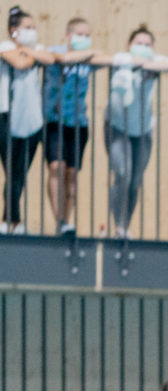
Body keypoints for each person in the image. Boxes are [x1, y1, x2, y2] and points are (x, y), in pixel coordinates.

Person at [105, 24, 168, 239]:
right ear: (129, 45)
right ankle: (118, 225)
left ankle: (124, 226)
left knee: (135, 181)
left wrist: (147, 63)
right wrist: (138, 63)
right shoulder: (122, 58)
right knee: (123, 174)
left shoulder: (154, 61)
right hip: (117, 127)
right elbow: (112, 60)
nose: (143, 47)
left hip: (143, 130)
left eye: (148, 44)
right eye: (139, 43)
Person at [42, 17, 104, 237]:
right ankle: (58, 218)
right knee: (56, 167)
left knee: (71, 175)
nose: (84, 38)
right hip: (54, 120)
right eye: (79, 34)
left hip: (78, 124)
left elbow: (108, 58)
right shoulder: (56, 51)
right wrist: (88, 54)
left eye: (87, 35)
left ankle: (65, 223)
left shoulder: (89, 58)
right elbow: (61, 58)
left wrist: (90, 54)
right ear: (68, 36)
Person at [0, 7, 58, 234]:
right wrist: (28, 53)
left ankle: (10, 221)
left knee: (20, 172)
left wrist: (28, 51)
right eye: (27, 28)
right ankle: (11, 221)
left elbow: (50, 58)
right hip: (6, 116)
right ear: (14, 30)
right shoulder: (5, 46)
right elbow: (20, 63)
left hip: (31, 120)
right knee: (12, 170)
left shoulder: (35, 49)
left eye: (34, 28)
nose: (32, 31)